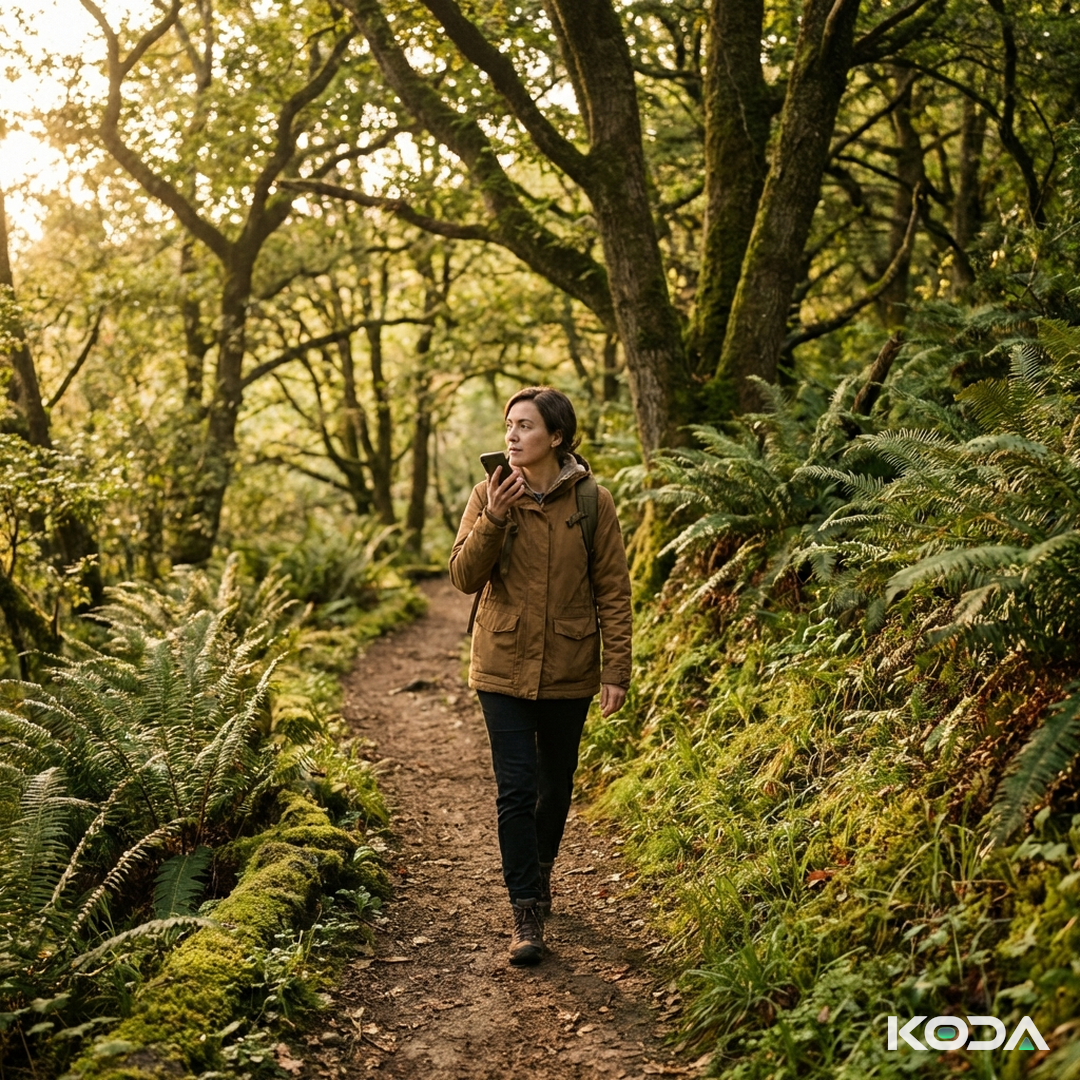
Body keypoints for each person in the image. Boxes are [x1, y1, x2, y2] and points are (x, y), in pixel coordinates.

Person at [449, 386, 632, 966]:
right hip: (501, 662)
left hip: (569, 664)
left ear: (556, 437)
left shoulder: (593, 502)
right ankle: (525, 909)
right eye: (509, 425)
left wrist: (616, 669)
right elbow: (462, 576)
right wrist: (494, 518)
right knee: (516, 789)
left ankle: (542, 864)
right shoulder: (487, 494)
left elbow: (613, 590)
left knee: (555, 785)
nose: (512, 435)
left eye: (525, 426)